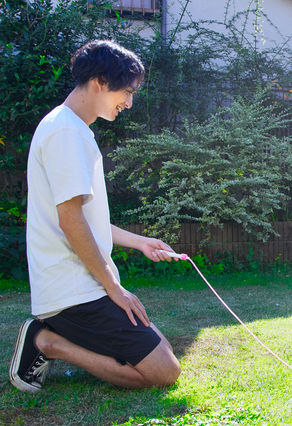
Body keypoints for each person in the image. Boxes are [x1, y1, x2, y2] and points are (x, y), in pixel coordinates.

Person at [9, 40, 182, 393]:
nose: (129, 102)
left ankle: (54, 333)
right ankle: (47, 341)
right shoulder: (66, 132)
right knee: (164, 372)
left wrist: (139, 242)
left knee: (161, 350)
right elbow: (70, 221)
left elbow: (84, 216)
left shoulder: (74, 129)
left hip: (84, 286)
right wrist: (113, 287)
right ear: (101, 81)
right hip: (73, 291)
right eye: (127, 91)